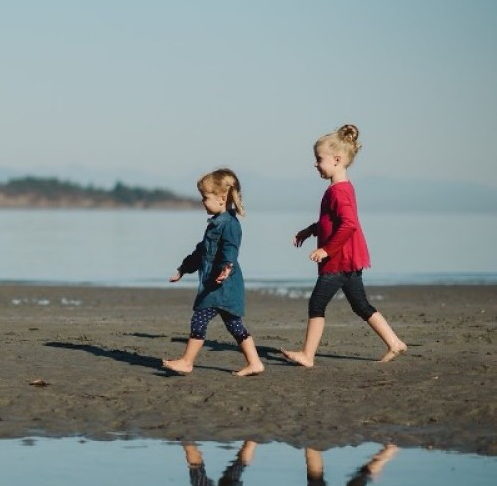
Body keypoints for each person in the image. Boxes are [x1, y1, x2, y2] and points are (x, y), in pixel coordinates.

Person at [282, 124, 407, 366]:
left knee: (316, 303)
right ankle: (395, 343)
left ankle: (307, 355)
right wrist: (309, 231)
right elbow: (330, 222)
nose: (315, 164)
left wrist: (326, 249)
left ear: (337, 160)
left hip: (339, 260)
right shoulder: (340, 189)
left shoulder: (339, 192)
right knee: (361, 305)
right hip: (349, 258)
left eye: (319, 159)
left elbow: (348, 224)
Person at [163, 168, 264, 376]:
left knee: (199, 319)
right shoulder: (214, 224)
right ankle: (255, 363)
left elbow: (231, 249)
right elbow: (201, 251)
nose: (202, 201)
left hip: (222, 286)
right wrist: (184, 268)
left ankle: (187, 361)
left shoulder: (229, 224)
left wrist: (227, 267)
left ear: (222, 198)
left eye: (205, 197)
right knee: (235, 326)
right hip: (216, 284)